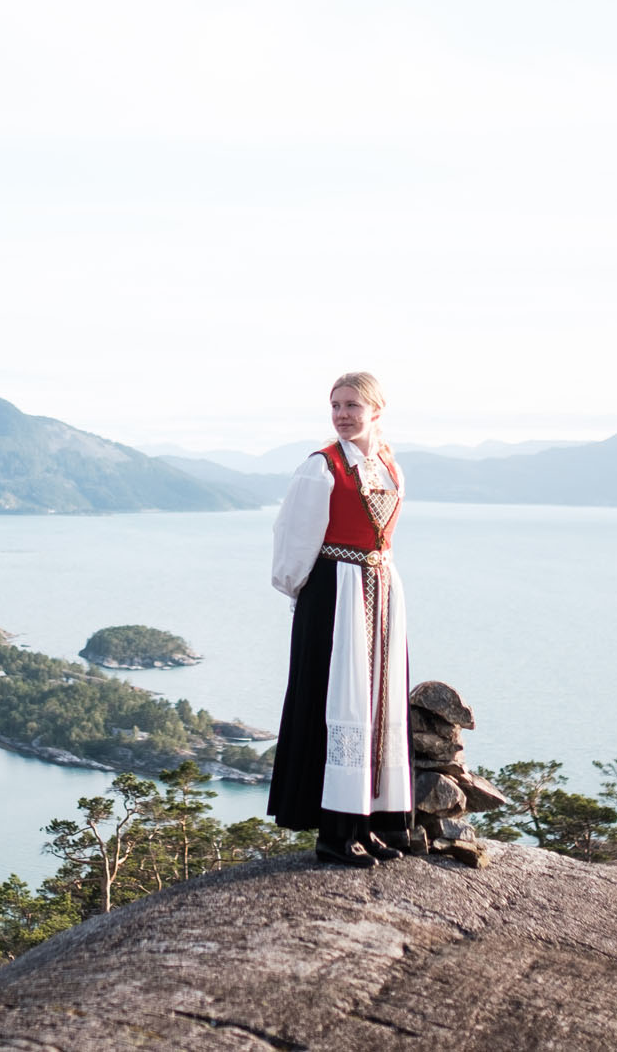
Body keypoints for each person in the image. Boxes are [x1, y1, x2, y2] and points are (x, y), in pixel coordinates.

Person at [267, 371, 412, 867]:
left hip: (378, 590)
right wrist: (306, 597)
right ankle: (333, 833)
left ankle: (365, 823)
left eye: (352, 405)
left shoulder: (388, 465)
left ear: (377, 409)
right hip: (335, 592)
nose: (343, 414)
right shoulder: (321, 468)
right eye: (336, 406)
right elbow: (293, 539)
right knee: (339, 705)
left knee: (374, 706)